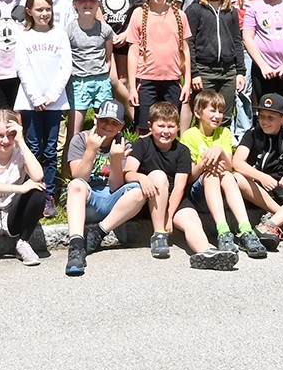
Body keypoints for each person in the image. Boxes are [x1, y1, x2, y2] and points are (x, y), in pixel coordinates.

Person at [125, 100, 235, 270]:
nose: (166, 131)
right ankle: (159, 235)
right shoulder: (141, 144)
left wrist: (169, 215)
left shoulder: (182, 150)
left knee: (192, 221)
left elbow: (179, 186)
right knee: (158, 176)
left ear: (177, 128)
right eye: (161, 126)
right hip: (151, 198)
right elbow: (128, 173)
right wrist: (142, 178)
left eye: (171, 127)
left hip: (175, 199)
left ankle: (207, 252)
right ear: (150, 126)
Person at [181, 88, 267, 259]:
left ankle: (246, 231)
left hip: (221, 187)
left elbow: (228, 166)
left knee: (227, 175)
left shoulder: (224, 133)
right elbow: (189, 177)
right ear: (197, 113)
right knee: (211, 175)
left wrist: (219, 150)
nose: (217, 115)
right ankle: (223, 232)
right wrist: (204, 163)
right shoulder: (189, 135)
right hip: (198, 192)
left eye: (220, 111)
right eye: (212, 111)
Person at [61, 99, 144, 276]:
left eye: (114, 123)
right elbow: (78, 176)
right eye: (104, 120)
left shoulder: (123, 145)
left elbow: (115, 187)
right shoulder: (80, 139)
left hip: (113, 204)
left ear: (121, 126)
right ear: (96, 119)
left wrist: (116, 160)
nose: (108, 126)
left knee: (138, 191)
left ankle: (98, 233)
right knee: (76, 185)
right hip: (87, 201)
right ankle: (76, 246)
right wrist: (91, 150)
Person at [232, 89, 283, 247]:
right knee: (237, 177)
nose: (264, 121)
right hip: (259, 190)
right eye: (262, 116)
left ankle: (270, 223)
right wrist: (262, 177)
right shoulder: (252, 134)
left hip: (282, 189)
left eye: (271, 117)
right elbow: (237, 162)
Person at [15, 0, 71, 215]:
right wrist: (36, 97)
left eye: (48, 9)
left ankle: (48, 195)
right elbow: (22, 68)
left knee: (50, 150)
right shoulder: (24, 36)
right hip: (31, 102)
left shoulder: (60, 35)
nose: (44, 13)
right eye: (39, 9)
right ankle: (31, 193)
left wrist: (50, 96)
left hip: (54, 103)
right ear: (29, 11)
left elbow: (66, 68)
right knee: (33, 147)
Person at [0, 109, 47, 269]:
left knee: (38, 190)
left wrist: (21, 142)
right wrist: (18, 188)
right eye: (0, 135)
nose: (5, 140)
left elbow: (38, 175)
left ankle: (23, 242)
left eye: (11, 135)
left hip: (13, 216)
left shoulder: (20, 153)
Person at [125, 0, 192, 134]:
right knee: (145, 128)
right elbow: (133, 53)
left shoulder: (179, 15)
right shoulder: (138, 14)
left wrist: (187, 82)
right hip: (146, 80)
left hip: (172, 80)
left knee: (169, 127)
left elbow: (185, 50)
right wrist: (132, 87)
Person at [185, 0, 244, 131]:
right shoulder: (195, 9)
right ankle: (201, 145)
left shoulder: (230, 10)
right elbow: (189, 43)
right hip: (204, 70)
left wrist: (240, 71)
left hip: (228, 71)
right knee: (204, 114)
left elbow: (237, 41)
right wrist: (195, 73)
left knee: (224, 114)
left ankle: (222, 144)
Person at [64, 0, 116, 151]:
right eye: (82, 0)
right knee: (74, 131)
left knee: (107, 128)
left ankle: (104, 160)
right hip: (79, 82)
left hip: (101, 81)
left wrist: (105, 74)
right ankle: (69, 165)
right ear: (75, 4)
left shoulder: (105, 30)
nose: (87, 4)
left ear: (98, 4)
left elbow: (108, 57)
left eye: (92, 0)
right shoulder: (69, 30)